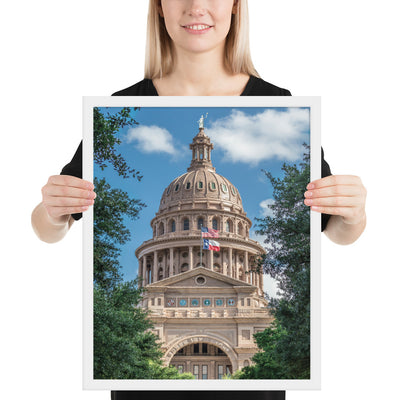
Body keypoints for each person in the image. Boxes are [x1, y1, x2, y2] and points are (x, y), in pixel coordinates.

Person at [31, 0, 367, 399]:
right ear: (158, 8)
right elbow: (47, 228)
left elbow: (340, 231)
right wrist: (52, 212)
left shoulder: (284, 98)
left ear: (236, 8)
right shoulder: (114, 102)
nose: (196, 7)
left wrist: (353, 212)